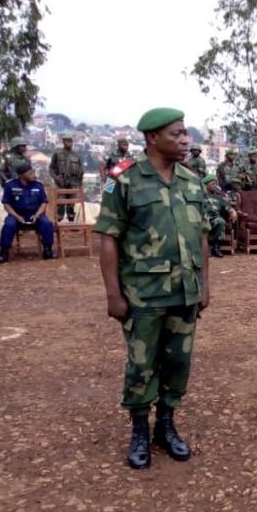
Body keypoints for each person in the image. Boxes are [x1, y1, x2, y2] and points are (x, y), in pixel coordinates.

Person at [93, 107, 210, 470]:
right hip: (143, 294)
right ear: (152, 138)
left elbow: (202, 235)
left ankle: (167, 426)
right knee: (142, 364)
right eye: (176, 134)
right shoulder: (123, 180)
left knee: (178, 362)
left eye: (185, 133)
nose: (185, 139)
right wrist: (113, 293)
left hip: (185, 291)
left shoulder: (192, 182)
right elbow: (109, 238)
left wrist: (205, 284)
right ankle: (140, 431)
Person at [0, 161, 55, 263]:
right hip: (16, 215)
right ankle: (4, 252)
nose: (33, 175)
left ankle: (47, 249)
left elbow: (44, 202)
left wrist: (37, 214)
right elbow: (6, 204)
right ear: (21, 175)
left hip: (35, 215)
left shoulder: (38, 185)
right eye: (30, 173)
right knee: (9, 225)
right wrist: (17, 216)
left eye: (33, 172)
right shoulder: (10, 185)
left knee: (46, 223)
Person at [49, 132, 84, 222]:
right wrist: (56, 178)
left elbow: (81, 171)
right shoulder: (57, 154)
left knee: (71, 204)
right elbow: (51, 168)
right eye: (67, 141)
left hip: (74, 182)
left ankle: (71, 222)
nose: (69, 143)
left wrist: (80, 184)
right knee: (60, 203)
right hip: (61, 182)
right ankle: (58, 223)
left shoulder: (77, 155)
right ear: (63, 142)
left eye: (71, 141)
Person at [202, 175, 237, 257]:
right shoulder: (200, 196)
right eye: (213, 184)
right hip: (202, 219)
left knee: (220, 221)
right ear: (206, 185)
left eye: (216, 184)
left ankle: (216, 247)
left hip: (214, 220)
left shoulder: (219, 197)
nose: (215, 186)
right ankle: (202, 249)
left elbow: (228, 207)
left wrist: (233, 212)